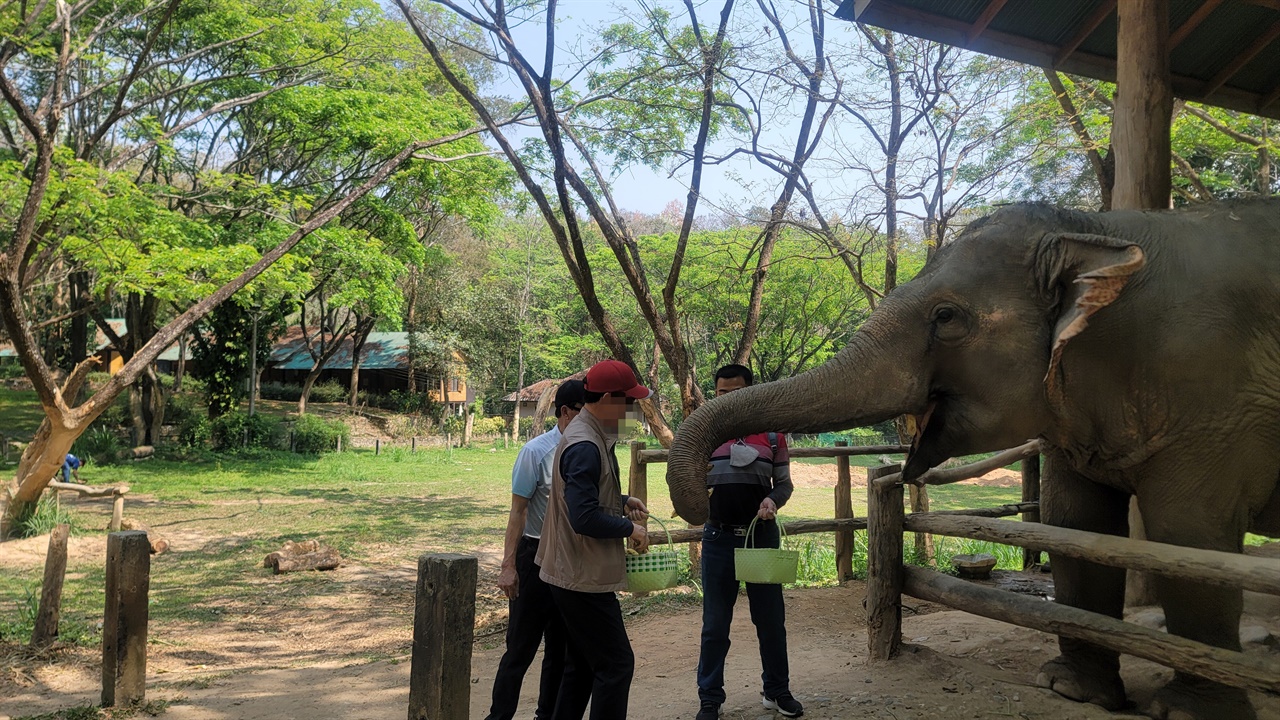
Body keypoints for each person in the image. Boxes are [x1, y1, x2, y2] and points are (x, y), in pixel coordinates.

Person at [536, 359, 652, 720]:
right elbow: (583, 517)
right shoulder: (586, 443)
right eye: (627, 403)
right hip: (580, 576)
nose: (632, 411)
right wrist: (629, 528)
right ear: (604, 399)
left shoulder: (589, 435)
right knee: (617, 665)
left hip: (570, 569)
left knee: (583, 666)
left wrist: (620, 502)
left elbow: (580, 496)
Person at [695, 364, 802, 719]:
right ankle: (710, 697)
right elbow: (685, 479)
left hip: (761, 539)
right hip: (718, 538)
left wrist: (774, 499)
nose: (727, 398)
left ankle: (777, 691)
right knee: (714, 625)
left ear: (750, 391)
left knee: (771, 621)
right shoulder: (704, 434)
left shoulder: (773, 436)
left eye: (735, 391)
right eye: (721, 393)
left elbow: (784, 483)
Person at [486, 379, 587, 720]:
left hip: (568, 560)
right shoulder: (536, 453)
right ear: (565, 413)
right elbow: (518, 510)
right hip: (533, 557)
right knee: (520, 649)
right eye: (584, 413)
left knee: (561, 648)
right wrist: (508, 566)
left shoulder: (588, 450)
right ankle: (499, 716)